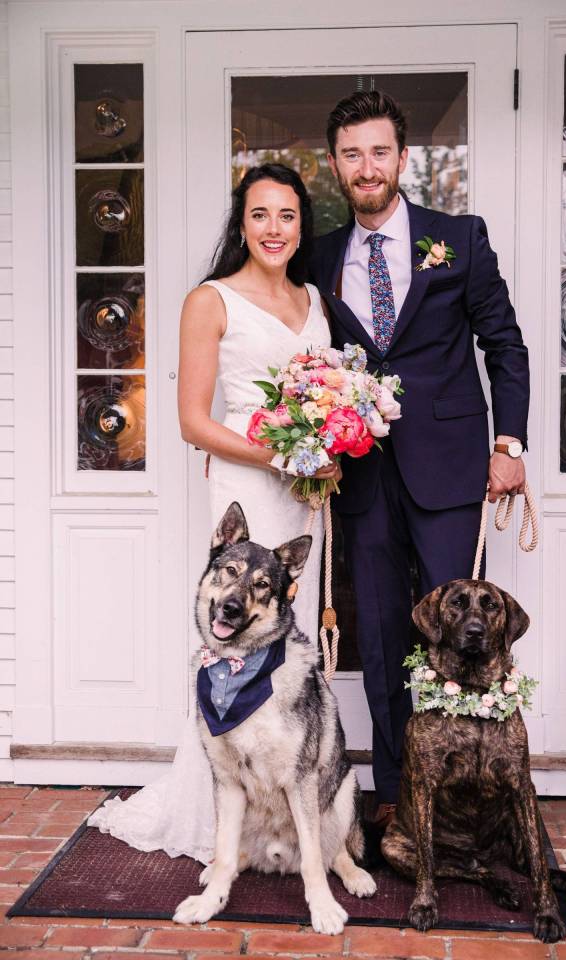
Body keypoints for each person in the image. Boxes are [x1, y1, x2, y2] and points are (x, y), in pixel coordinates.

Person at [89, 164, 336, 861]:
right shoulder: (211, 300)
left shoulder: (315, 299)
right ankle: (216, 809)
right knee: (234, 638)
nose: (274, 229)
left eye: (286, 215)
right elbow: (193, 422)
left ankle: (282, 813)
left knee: (288, 646)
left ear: (300, 224)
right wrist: (281, 459)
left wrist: (331, 449)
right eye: (260, 215)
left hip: (306, 497)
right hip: (249, 487)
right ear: (242, 222)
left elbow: (327, 395)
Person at [310, 91, 530, 824]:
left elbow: (505, 345)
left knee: (465, 635)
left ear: (403, 159)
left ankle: (474, 796)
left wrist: (509, 444)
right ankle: (400, 798)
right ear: (335, 164)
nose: (366, 167)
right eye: (351, 154)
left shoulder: (459, 238)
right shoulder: (318, 257)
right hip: (363, 477)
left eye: (379, 152)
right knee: (378, 639)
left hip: (452, 471)